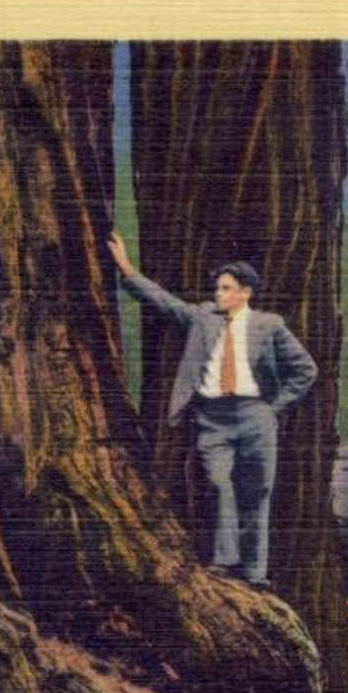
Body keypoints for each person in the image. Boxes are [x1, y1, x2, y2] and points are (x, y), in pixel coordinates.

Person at [106, 230, 317, 589]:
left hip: (255, 416)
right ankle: (224, 560)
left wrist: (274, 408)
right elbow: (163, 302)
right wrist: (127, 269)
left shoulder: (269, 325)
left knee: (257, 493)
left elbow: (306, 369)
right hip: (211, 419)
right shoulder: (202, 318)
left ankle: (254, 572)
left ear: (245, 293)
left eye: (225, 288)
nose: (217, 294)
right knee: (218, 484)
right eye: (217, 288)